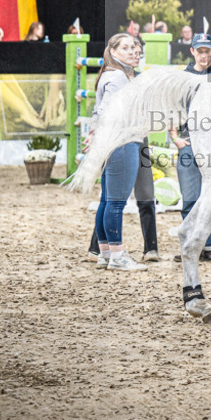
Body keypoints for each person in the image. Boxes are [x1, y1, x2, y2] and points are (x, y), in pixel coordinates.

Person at [88, 33, 148, 271]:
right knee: (115, 203)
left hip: (112, 143)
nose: (134, 51)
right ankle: (118, 256)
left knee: (107, 201)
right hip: (122, 143)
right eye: (126, 48)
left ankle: (105, 253)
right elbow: (107, 111)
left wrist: (95, 134)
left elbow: (97, 111)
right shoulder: (119, 78)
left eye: (135, 47)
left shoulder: (109, 75)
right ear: (113, 52)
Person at [169, 33, 211, 264]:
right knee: (190, 198)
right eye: (199, 50)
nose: (203, 54)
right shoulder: (182, 78)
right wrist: (175, 138)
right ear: (192, 51)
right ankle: (191, 245)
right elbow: (172, 108)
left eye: (207, 50)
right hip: (189, 141)